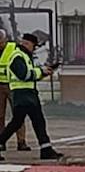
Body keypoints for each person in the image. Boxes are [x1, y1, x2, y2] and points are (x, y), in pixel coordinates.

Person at [0, 33, 62, 161]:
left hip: (28, 93)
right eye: (33, 46)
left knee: (35, 121)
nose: (33, 49)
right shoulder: (17, 56)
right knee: (19, 123)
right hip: (22, 95)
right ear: (28, 44)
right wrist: (41, 71)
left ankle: (46, 149)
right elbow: (24, 75)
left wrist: (44, 72)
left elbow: (30, 74)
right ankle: (46, 149)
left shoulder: (24, 56)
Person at [0, 29, 30, 152]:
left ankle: (21, 142)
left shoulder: (14, 48)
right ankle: (1, 141)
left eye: (0, 41)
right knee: (0, 116)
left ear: (5, 39)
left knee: (18, 115)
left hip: (12, 86)